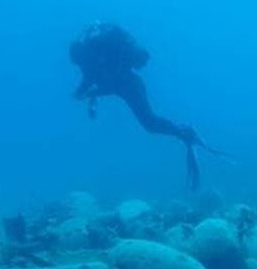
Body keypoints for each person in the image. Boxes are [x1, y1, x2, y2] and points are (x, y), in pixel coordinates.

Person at [70, 22, 218, 189]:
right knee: (149, 124)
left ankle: (184, 132)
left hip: (131, 85)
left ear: (81, 54)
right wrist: (83, 95)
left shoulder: (95, 59)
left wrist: (89, 94)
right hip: (126, 85)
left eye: (78, 62)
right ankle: (183, 132)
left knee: (150, 122)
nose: (79, 65)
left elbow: (108, 84)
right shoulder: (91, 63)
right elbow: (90, 83)